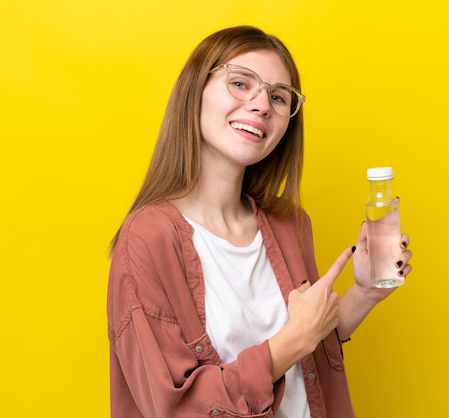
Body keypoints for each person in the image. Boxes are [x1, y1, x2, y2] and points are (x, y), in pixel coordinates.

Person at [107, 25, 412, 418]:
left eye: (278, 97)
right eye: (239, 83)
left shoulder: (290, 223)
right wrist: (288, 343)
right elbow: (172, 407)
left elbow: (310, 354)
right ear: (195, 90)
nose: (262, 105)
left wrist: (365, 292)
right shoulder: (147, 239)